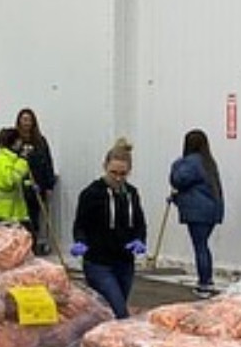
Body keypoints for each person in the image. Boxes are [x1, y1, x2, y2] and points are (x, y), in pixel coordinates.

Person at [71, 139, 147, 318]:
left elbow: (139, 222)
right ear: (105, 166)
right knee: (119, 311)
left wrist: (140, 239)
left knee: (107, 313)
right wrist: (80, 242)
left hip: (125, 262)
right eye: (114, 173)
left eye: (123, 174)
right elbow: (80, 223)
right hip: (98, 262)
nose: (118, 178)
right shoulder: (91, 193)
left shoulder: (131, 193)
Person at [169, 129, 225, 298]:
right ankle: (206, 280)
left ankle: (204, 283)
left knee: (200, 246)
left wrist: (176, 166)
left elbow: (178, 180)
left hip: (197, 212)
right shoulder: (209, 162)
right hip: (212, 210)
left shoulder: (189, 163)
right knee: (203, 245)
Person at [15, 108, 57, 254]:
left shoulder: (40, 141)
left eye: (29, 119)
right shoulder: (15, 142)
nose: (26, 122)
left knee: (35, 219)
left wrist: (49, 184)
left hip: (37, 187)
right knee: (21, 221)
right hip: (20, 189)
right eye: (24, 119)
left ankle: (33, 247)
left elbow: (47, 161)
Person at [0, 127, 30, 226]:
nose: (21, 143)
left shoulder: (11, 159)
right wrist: (23, 161)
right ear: (13, 142)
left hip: (11, 215)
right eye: (19, 140)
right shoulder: (0, 160)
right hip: (0, 214)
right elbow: (10, 181)